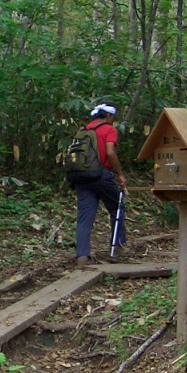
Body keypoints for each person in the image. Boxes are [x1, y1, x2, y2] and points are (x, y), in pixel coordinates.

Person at [73, 102, 127, 265]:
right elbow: (110, 152)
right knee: (117, 208)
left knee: (84, 216)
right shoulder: (109, 129)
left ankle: (82, 255)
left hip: (82, 176)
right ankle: (117, 247)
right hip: (101, 175)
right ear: (109, 116)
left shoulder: (84, 130)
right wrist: (120, 174)